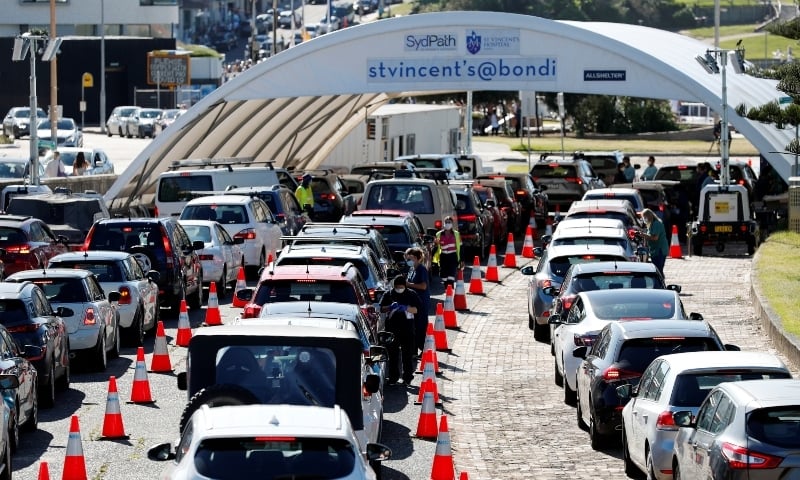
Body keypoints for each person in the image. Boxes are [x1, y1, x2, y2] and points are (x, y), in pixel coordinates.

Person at [379, 276, 421, 385]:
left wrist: (406, 308)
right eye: (397, 287)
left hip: (407, 328)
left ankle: (407, 377)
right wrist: (390, 307)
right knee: (393, 354)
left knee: (407, 353)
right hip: (392, 329)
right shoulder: (389, 294)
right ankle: (393, 377)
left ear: (405, 286)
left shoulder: (411, 294)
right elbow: (382, 308)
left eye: (401, 287)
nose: (399, 289)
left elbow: (417, 309)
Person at [405, 247, 430, 353]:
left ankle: (425, 350)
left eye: (410, 258)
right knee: (412, 326)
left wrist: (409, 285)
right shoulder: (411, 269)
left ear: (416, 258)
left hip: (421, 303)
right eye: (407, 258)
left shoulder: (421, 269)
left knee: (421, 327)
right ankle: (414, 350)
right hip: (412, 303)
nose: (408, 261)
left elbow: (423, 286)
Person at [641, 208, 669, 278]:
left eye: (644, 217)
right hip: (654, 250)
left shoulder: (656, 224)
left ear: (649, 216)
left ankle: (661, 285)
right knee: (656, 269)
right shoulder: (650, 225)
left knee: (658, 270)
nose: (644, 219)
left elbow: (655, 238)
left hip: (660, 250)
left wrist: (643, 235)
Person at [434, 216, 462, 287]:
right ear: (444, 223)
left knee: (451, 277)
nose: (447, 224)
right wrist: (436, 244)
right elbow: (435, 248)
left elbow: (461, 247)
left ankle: (450, 291)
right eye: (446, 222)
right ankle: (447, 289)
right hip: (443, 257)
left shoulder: (456, 234)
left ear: (452, 224)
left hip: (452, 257)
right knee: (444, 277)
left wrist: (462, 259)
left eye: (449, 222)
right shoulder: (438, 234)